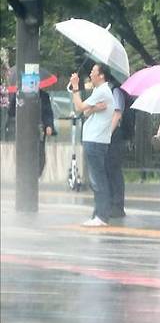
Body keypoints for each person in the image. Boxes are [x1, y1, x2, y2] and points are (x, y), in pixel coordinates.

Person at [70, 64, 114, 227]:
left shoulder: (102, 90)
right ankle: (99, 214)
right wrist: (94, 108)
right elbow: (87, 111)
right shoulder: (99, 91)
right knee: (97, 178)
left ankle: (102, 216)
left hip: (96, 141)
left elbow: (79, 107)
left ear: (101, 75)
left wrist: (75, 87)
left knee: (97, 179)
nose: (90, 74)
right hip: (95, 140)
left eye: (93, 72)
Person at [8, 90, 57, 177]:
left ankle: (36, 175)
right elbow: (11, 112)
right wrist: (17, 102)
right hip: (23, 130)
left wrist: (49, 125)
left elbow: (48, 112)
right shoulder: (19, 95)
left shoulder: (44, 96)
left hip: (39, 130)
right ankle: (24, 175)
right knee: (23, 154)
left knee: (40, 154)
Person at [107, 85, 128, 218]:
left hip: (114, 134)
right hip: (109, 133)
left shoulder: (116, 91)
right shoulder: (109, 90)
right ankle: (111, 203)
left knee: (114, 169)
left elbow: (117, 114)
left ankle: (117, 205)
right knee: (108, 169)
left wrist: (108, 133)